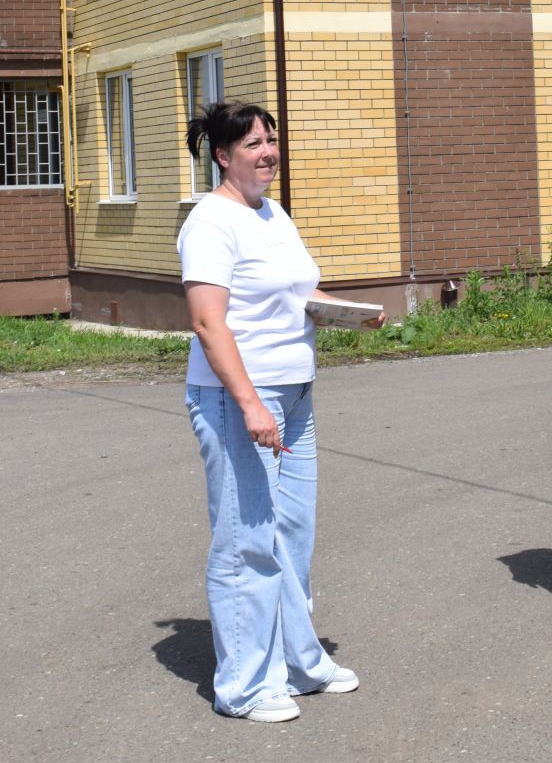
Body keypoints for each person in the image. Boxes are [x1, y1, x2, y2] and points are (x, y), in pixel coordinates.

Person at [177, 101, 380, 723]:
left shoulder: (271, 212)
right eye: (252, 145)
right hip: (242, 398)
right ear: (221, 155)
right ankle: (243, 685)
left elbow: (295, 292)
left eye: (271, 140)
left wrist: (342, 309)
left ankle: (297, 662)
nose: (267, 152)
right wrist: (248, 404)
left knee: (291, 536)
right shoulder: (211, 222)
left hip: (293, 393)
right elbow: (209, 322)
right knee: (247, 542)